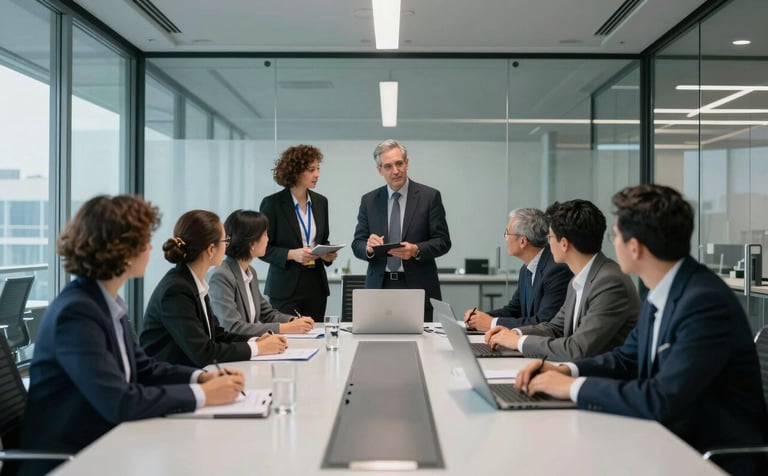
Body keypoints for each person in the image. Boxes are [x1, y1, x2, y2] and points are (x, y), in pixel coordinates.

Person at [515, 185, 767, 475]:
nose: (613, 244)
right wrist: (567, 371)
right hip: (666, 440)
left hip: (708, 457)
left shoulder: (703, 302)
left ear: (635, 247)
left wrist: (572, 388)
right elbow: (626, 358)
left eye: (616, 236)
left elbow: (661, 398)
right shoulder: (664, 289)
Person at [19, 196, 244, 476]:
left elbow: (144, 367)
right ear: (121, 249)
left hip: (106, 444)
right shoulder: (76, 313)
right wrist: (201, 395)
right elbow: (119, 401)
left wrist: (201, 378)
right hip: (72, 459)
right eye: (144, 240)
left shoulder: (104, 302)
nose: (151, 247)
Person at [486, 199, 640, 361]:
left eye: (550, 237)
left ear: (564, 244)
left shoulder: (609, 282)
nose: (547, 244)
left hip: (603, 379)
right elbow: (555, 327)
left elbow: (577, 349)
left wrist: (519, 342)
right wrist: (515, 333)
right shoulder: (579, 279)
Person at [141, 210, 288, 367]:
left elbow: (217, 335)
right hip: (169, 381)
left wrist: (256, 340)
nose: (227, 246)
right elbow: (204, 353)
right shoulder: (176, 290)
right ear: (211, 250)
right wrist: (258, 348)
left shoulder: (192, 282)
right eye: (225, 241)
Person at [351, 139, 451, 321]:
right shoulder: (369, 201)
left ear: (407, 163)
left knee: (422, 346)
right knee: (378, 346)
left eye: (399, 163)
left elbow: (443, 241)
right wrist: (368, 247)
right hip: (379, 287)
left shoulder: (429, 197)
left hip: (418, 286)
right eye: (388, 166)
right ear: (379, 170)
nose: (395, 171)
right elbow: (357, 243)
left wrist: (416, 250)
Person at [259, 145, 336, 321]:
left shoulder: (320, 202)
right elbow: (262, 248)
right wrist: (292, 254)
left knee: (315, 336)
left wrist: (326, 254)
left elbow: (322, 239)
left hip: (315, 286)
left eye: (318, 168)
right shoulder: (273, 204)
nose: (317, 174)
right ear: (295, 172)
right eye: (311, 170)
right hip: (285, 287)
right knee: (289, 340)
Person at [208, 209, 315, 335]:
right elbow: (232, 327)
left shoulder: (249, 272)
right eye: (265, 234)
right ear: (252, 243)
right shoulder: (221, 276)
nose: (268, 239)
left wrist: (294, 321)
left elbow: (267, 313)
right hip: (235, 350)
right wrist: (285, 328)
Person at [463, 208, 572, 332]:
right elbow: (514, 310)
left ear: (522, 241)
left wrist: (491, 323)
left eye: (507, 233)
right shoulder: (526, 269)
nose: (505, 238)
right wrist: (479, 318)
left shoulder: (556, 270)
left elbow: (544, 322)